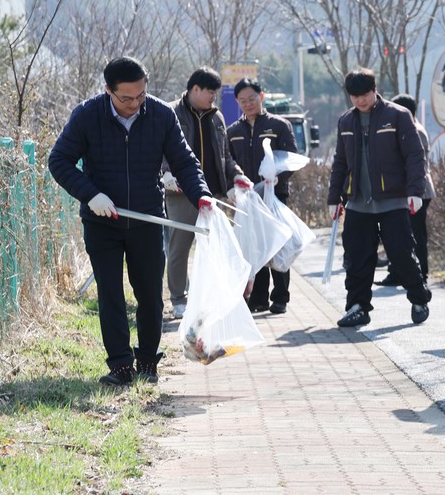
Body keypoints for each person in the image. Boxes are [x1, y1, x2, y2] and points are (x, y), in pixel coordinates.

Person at [48, 56, 214, 386]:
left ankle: (149, 361)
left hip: (147, 218)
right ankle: (120, 365)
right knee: (110, 294)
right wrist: (91, 195)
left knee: (150, 294)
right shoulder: (87, 115)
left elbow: (184, 162)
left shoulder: (161, 115)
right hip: (101, 221)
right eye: (126, 98)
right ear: (108, 90)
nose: (135, 104)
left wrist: (202, 196)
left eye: (141, 95)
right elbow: (59, 161)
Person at [327, 68, 431, 328]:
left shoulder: (397, 115)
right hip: (358, 202)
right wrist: (334, 197)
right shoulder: (346, 121)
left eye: (365, 94)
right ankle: (357, 307)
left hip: (393, 199)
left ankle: (419, 297)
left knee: (401, 254)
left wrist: (415, 191)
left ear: (375, 90)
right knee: (357, 258)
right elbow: (340, 162)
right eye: (355, 96)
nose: (360, 100)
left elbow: (415, 156)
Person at [162, 67, 251, 320]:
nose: (213, 96)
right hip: (180, 192)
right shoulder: (170, 112)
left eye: (215, 92)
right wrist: (166, 174)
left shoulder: (217, 117)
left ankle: (214, 297)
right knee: (179, 247)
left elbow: (225, 156)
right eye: (210, 92)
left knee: (216, 247)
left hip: (212, 195)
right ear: (195, 89)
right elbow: (159, 149)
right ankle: (179, 299)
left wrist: (236, 176)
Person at [227, 77, 298, 315]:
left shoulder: (279, 126)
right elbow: (227, 163)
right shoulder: (233, 131)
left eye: (252, 99)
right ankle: (258, 298)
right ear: (237, 102)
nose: (248, 104)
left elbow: (290, 157)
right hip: (246, 198)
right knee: (253, 247)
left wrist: (279, 177)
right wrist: (231, 187)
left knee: (277, 245)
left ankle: (280, 297)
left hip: (274, 196)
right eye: (243, 100)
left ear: (262, 97)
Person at [374, 93, 435, 287]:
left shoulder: (415, 130)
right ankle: (397, 273)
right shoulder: (403, 128)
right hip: (404, 190)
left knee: (416, 235)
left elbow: (417, 165)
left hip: (418, 191)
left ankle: (421, 274)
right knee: (399, 234)